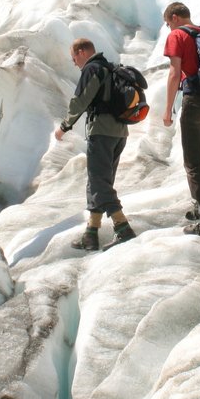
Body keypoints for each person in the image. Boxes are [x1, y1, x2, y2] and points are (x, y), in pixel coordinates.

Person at [55, 38, 138, 251]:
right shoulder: (111, 68)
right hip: (120, 132)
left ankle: (122, 227)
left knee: (99, 183)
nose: (74, 63)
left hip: (102, 131)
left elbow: (80, 100)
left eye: (74, 58)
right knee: (99, 181)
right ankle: (91, 233)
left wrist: (64, 126)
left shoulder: (93, 69)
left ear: (82, 52)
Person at [162, 2, 200, 238]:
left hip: (196, 102)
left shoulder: (177, 35)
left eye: (168, 23)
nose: (169, 29)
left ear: (175, 18)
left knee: (194, 162)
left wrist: (168, 109)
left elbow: (174, 73)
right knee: (198, 155)